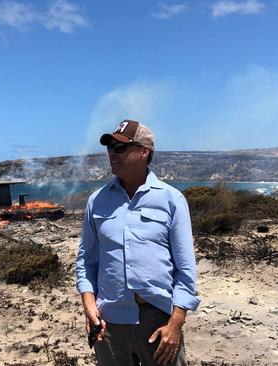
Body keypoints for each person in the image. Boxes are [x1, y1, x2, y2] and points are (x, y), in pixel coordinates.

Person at [76, 119, 200, 366]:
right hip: (109, 321)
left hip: (158, 319)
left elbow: (186, 270)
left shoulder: (172, 200)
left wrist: (176, 323)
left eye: (121, 148)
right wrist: (89, 304)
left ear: (144, 151)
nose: (112, 153)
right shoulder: (96, 201)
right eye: (110, 148)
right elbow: (86, 261)